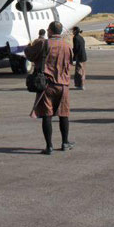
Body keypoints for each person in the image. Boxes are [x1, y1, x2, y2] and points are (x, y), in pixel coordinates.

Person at [24, 21, 75, 155]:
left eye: (48, 29)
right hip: (63, 85)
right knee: (64, 115)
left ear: (51, 31)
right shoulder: (67, 46)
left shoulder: (43, 43)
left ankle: (49, 146)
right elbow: (70, 62)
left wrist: (31, 44)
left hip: (47, 85)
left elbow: (28, 54)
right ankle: (65, 143)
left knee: (47, 115)